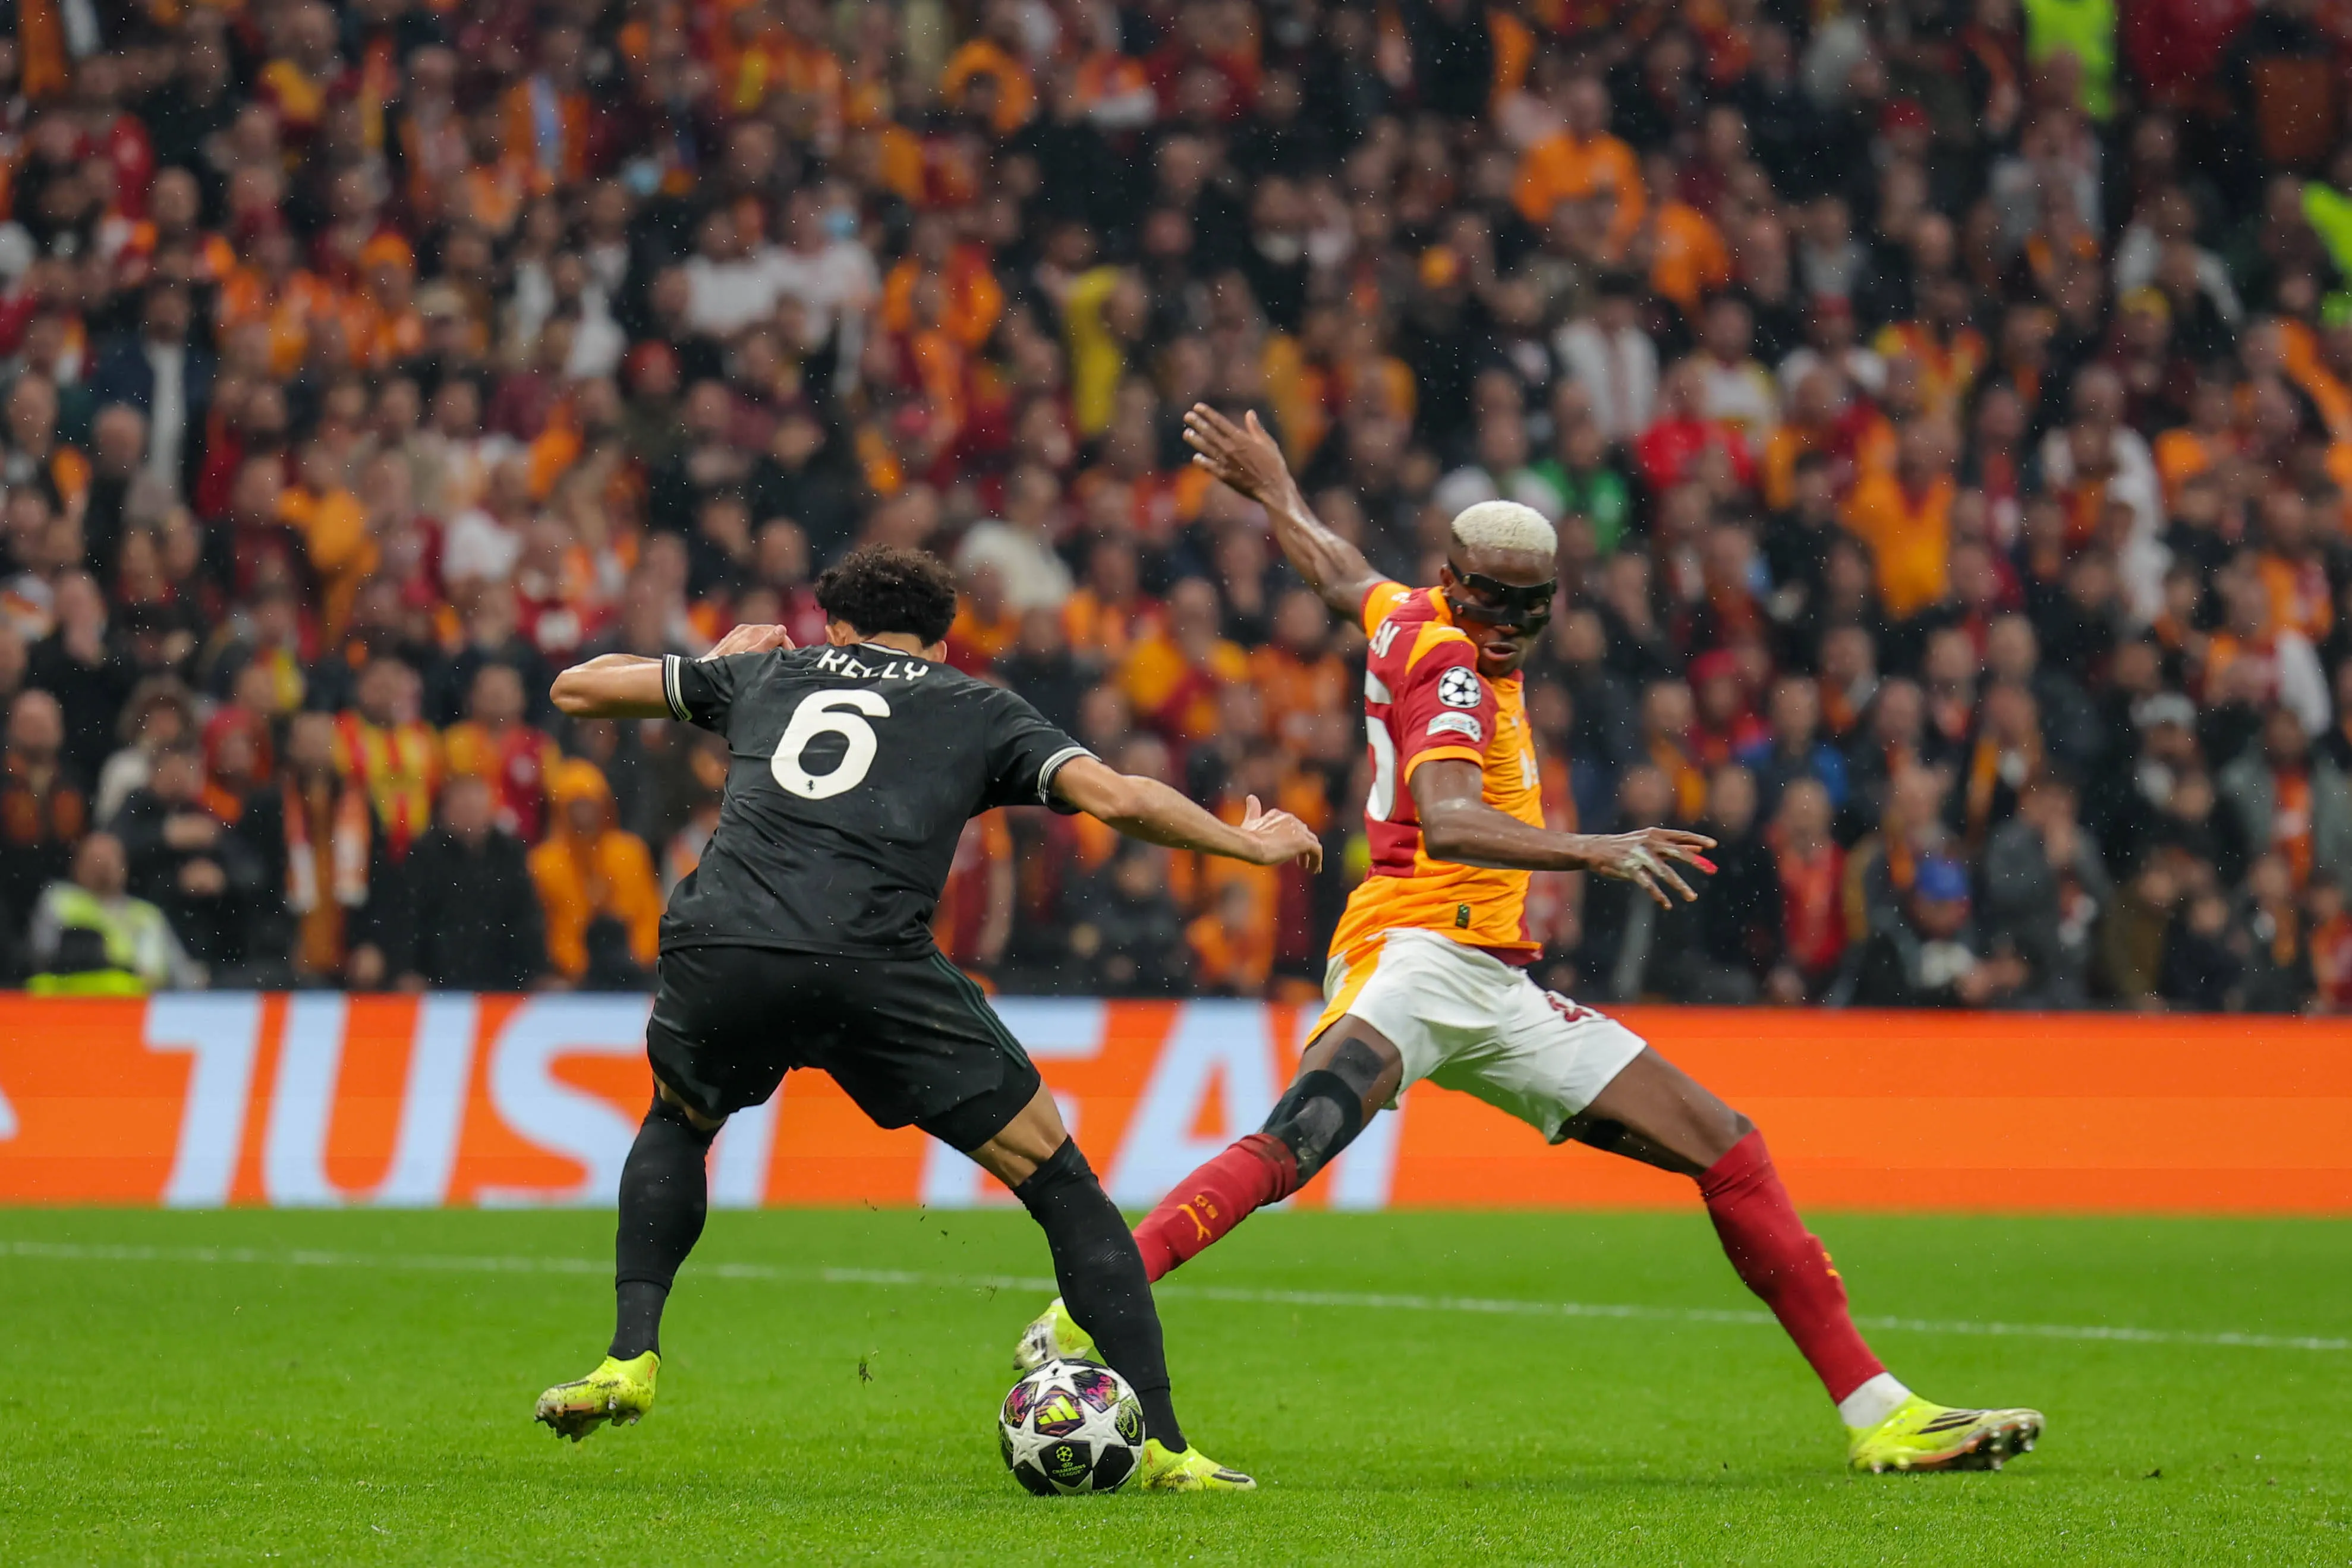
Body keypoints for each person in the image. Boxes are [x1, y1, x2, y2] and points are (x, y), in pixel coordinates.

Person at [1015, 405, 2045, 1478]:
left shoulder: (1408, 614)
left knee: (1727, 1147)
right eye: (1486, 598)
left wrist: (1275, 489)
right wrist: (1596, 849)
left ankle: (1879, 1411)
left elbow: (1337, 571)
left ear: (1553, 601)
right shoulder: (1452, 669)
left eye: (1526, 604)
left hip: (1491, 980)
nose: (1502, 621)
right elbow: (1451, 814)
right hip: (1416, 949)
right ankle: (1085, 1310)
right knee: (1296, 1140)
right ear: (1455, 584)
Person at [534, 544, 1321, 1491]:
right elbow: (1117, 799)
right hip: (869, 962)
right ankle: (1163, 1447)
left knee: (677, 1119)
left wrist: (719, 656)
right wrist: (1248, 841)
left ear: (836, 623)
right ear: (943, 641)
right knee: (1060, 1181)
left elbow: (577, 689)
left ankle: (630, 1357)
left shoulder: (768, 670)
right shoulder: (975, 704)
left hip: (725, 947)